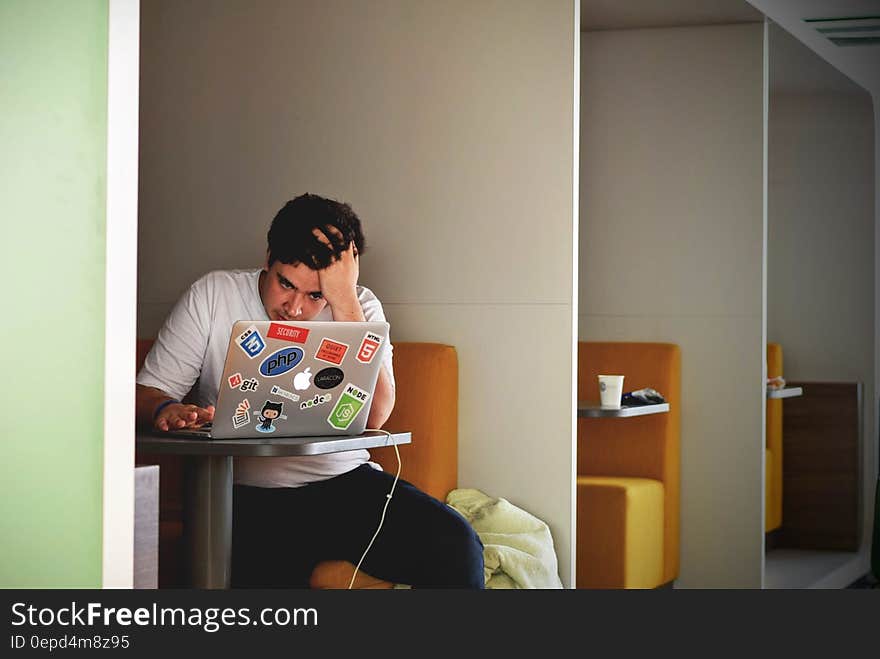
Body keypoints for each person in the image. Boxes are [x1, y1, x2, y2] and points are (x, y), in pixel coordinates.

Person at [135, 193, 485, 588]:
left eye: (315, 294)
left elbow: (376, 415)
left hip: (345, 485)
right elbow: (147, 392)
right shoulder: (213, 295)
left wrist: (344, 301)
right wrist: (166, 408)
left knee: (457, 546)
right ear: (268, 258)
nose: (295, 308)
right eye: (286, 284)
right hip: (246, 495)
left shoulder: (359, 306)